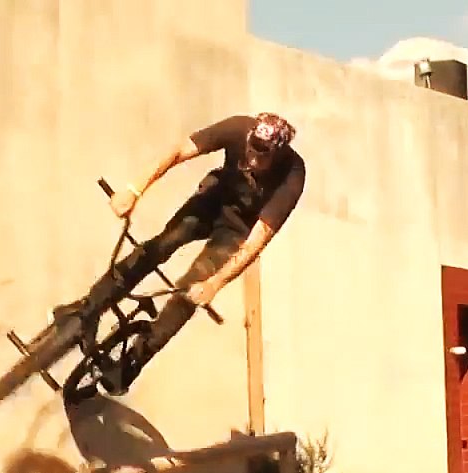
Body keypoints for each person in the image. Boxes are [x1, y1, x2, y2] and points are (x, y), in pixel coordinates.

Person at [70, 112, 307, 396]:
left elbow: (258, 239)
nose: (254, 161)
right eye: (252, 150)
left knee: (190, 289)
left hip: (238, 230)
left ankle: (134, 360)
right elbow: (179, 151)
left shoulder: (293, 174)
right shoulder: (238, 128)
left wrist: (215, 283)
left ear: (278, 154)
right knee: (165, 243)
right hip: (214, 198)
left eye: (263, 157)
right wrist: (134, 190)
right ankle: (89, 308)